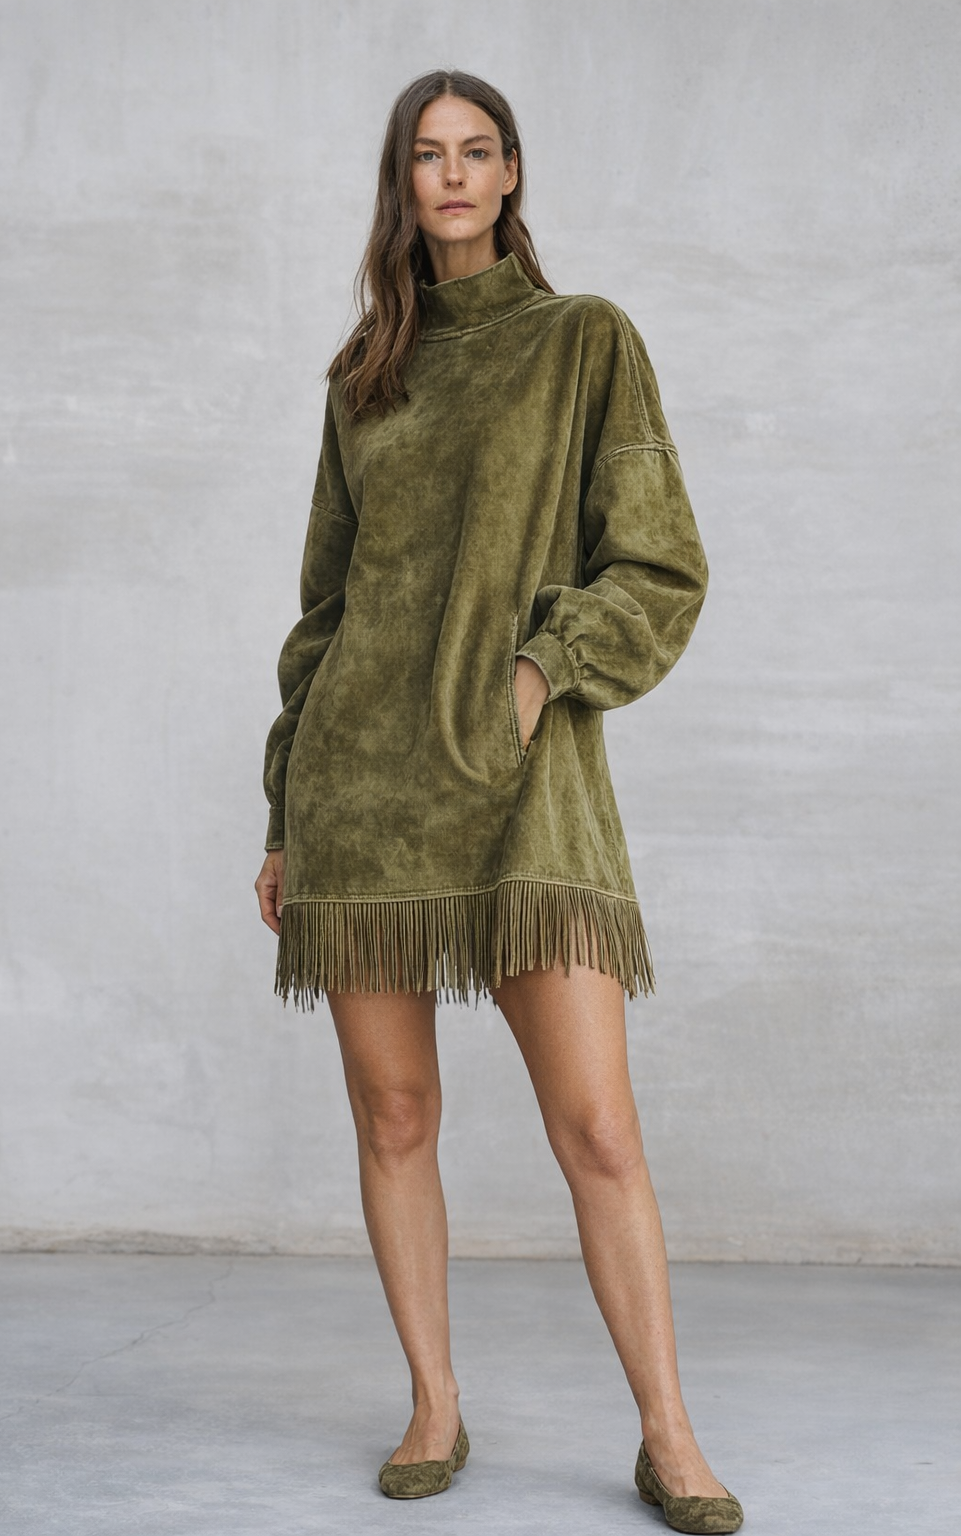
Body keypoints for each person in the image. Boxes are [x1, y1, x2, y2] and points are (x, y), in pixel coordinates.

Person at [255, 69, 743, 1535]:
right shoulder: (364, 378)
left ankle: (668, 1436)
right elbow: (323, 613)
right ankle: (433, 1401)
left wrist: (542, 671)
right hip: (364, 788)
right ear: (403, 185)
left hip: (524, 786)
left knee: (597, 1129)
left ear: (514, 173)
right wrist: (284, 815)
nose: (454, 175)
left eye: (477, 151)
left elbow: (658, 564)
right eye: (428, 154)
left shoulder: (585, 342)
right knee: (396, 1114)